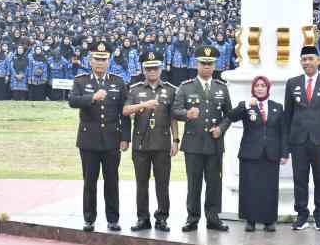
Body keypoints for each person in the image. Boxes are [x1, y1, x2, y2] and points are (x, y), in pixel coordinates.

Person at [68, 41, 130, 233]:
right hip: (89, 140)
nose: (100, 63)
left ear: (109, 60)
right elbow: (72, 101)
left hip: (112, 140)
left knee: (112, 181)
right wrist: (92, 98)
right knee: (90, 181)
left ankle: (113, 219)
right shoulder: (81, 81)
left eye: (104, 59)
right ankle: (89, 219)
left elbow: (124, 113)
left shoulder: (118, 82)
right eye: (97, 59)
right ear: (90, 60)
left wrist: (125, 137)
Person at [172, 45, 233, 232]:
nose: (206, 67)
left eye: (210, 64)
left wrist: (221, 129)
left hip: (214, 144)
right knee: (194, 183)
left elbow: (229, 114)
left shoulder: (221, 87)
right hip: (193, 143)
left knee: (214, 183)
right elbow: (174, 110)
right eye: (203, 63)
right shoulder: (186, 86)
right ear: (197, 64)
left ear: (214, 65)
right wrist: (187, 114)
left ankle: (213, 217)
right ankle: (192, 218)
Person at [283, 45, 320, 231]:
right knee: (300, 179)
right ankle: (301, 214)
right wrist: (286, 145)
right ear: (301, 62)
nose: (307, 62)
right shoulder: (292, 83)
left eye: (311, 58)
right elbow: (288, 116)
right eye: (304, 59)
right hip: (298, 141)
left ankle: (319, 215)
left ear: (319, 60)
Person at [123, 51, 179, 232]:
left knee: (162, 183)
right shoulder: (135, 89)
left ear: (160, 69)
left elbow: (173, 117)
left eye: (155, 67)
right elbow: (125, 110)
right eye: (148, 68)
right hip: (141, 144)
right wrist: (143, 105)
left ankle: (162, 218)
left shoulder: (170, 89)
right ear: (143, 69)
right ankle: (142, 218)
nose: (152, 71)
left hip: (162, 144)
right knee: (141, 183)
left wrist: (176, 139)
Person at [225, 76, 289, 232]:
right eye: (257, 86)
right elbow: (231, 116)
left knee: (269, 187)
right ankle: (250, 220)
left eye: (263, 85)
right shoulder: (246, 106)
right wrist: (247, 105)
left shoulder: (277, 107)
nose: (260, 88)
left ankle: (269, 220)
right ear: (253, 89)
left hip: (271, 153)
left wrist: (284, 153)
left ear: (268, 88)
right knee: (250, 187)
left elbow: (283, 132)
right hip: (250, 153)